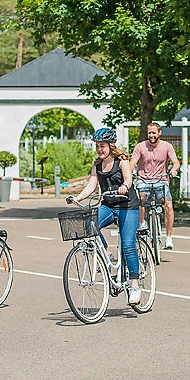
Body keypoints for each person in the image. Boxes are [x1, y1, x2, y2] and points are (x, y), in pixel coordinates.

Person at [66, 127, 142, 306]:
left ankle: (135, 286)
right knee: (89, 224)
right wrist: (76, 198)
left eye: (103, 146)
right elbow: (91, 186)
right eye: (97, 146)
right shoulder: (97, 165)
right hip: (108, 205)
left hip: (126, 206)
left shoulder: (121, 160)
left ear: (111, 145)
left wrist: (124, 186)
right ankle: (107, 253)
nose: (100, 149)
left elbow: (128, 179)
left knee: (128, 245)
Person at [130, 122, 181, 250]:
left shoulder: (167, 146)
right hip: (143, 179)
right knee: (140, 199)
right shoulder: (140, 147)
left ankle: (168, 237)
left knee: (168, 205)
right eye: (149, 133)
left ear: (159, 133)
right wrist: (128, 173)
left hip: (161, 180)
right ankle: (142, 223)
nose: (151, 135)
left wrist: (174, 170)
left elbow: (176, 162)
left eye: (154, 132)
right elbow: (132, 162)